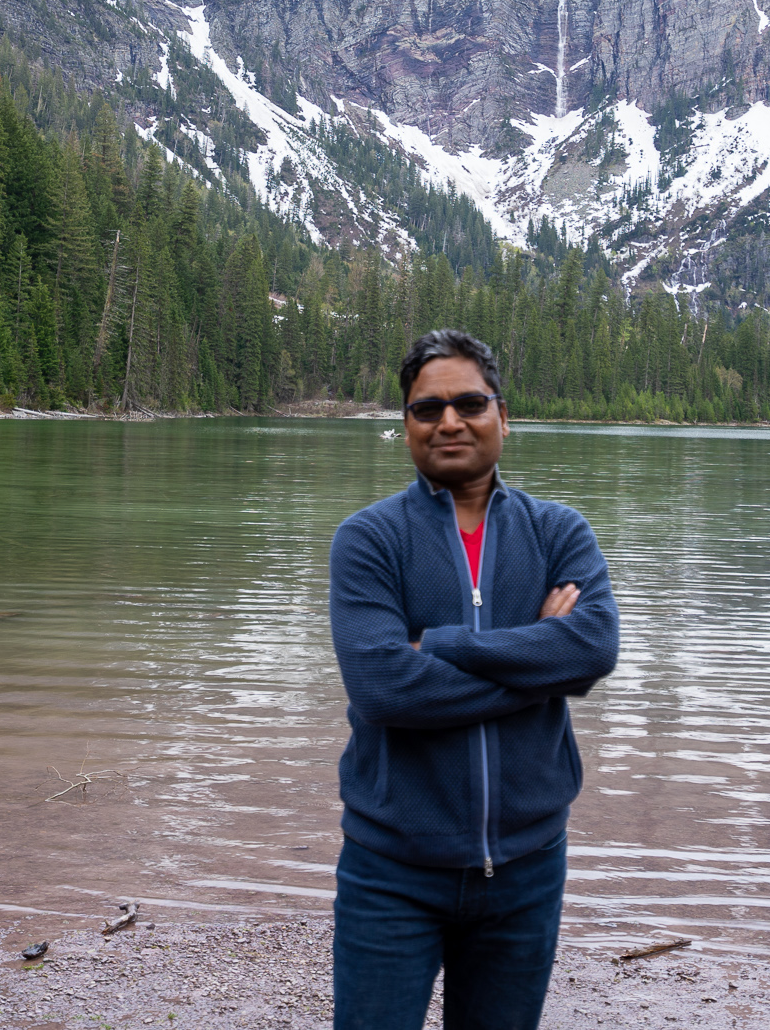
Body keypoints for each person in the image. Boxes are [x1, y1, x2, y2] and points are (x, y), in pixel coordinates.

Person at [327, 328, 621, 1030]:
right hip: (390, 869)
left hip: (527, 867)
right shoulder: (369, 540)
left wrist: (445, 644)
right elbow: (385, 687)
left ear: (502, 414)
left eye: (469, 402)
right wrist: (541, 667)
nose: (449, 421)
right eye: (427, 408)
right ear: (405, 425)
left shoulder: (559, 533)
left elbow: (594, 646)